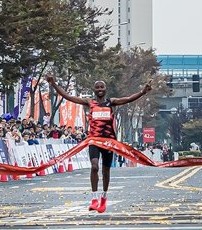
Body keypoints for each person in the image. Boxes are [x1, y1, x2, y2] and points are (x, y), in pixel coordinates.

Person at [46, 75, 152, 213]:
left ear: (106, 89)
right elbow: (68, 97)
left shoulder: (111, 103)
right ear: (94, 90)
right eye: (97, 87)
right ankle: (94, 198)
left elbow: (127, 99)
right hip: (94, 140)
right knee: (95, 166)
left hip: (108, 141)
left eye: (102, 87)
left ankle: (104, 198)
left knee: (106, 171)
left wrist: (143, 92)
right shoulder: (90, 103)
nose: (100, 89)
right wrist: (53, 84)